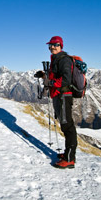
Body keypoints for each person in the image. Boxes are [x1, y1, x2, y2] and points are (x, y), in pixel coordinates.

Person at [35, 36, 77, 169]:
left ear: (61, 45)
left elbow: (66, 80)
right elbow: (55, 76)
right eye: (50, 45)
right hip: (58, 96)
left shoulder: (64, 59)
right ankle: (67, 154)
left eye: (55, 45)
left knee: (68, 126)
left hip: (64, 95)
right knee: (65, 125)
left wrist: (50, 83)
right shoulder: (55, 60)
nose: (52, 47)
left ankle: (70, 159)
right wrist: (43, 76)